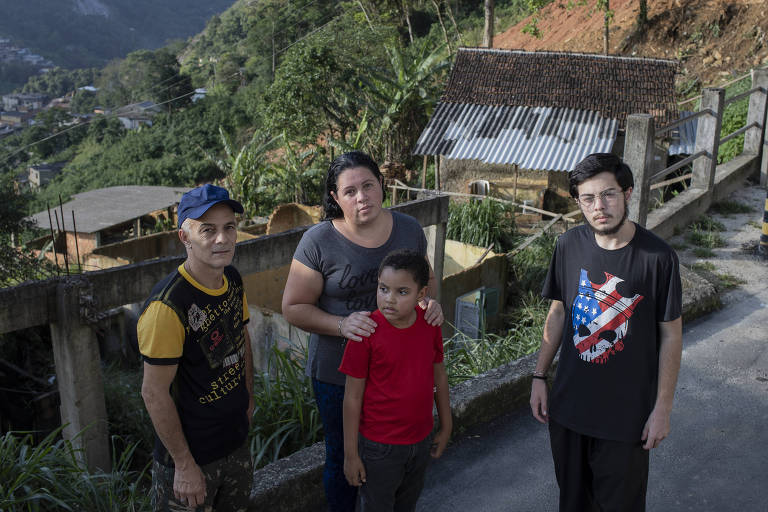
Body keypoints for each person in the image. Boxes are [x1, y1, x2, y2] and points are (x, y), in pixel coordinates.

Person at [281, 151, 444, 512]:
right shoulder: (318, 240)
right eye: (350, 191)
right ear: (335, 198)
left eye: (368, 185)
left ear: (381, 185)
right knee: (343, 457)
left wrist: (429, 305)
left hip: (398, 372)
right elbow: (293, 307)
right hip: (337, 374)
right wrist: (342, 325)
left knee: (393, 459)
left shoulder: (408, 230)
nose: (362, 197)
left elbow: (425, 283)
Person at [529, 153, 683, 512]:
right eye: (588, 198)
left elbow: (672, 336)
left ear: (627, 193)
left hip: (625, 419)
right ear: (579, 202)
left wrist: (663, 408)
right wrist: (539, 375)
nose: (599, 206)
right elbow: (559, 312)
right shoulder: (568, 246)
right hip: (567, 412)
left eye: (609, 194)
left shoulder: (658, 258)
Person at [138, 184, 254, 512]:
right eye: (208, 230)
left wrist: (248, 397)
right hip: (192, 461)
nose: (223, 239)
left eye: (229, 227)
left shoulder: (231, 279)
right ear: (185, 238)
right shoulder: (167, 306)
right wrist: (184, 464)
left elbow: (241, 337)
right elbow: (153, 393)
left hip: (235, 444)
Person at [339, 249, 452, 512]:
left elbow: (440, 377)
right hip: (379, 448)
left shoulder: (430, 324)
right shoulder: (365, 332)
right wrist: (351, 454)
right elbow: (352, 398)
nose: (389, 299)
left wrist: (446, 425)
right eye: (383, 289)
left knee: (407, 506)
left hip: (421, 441)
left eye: (402, 292)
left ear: (421, 295)